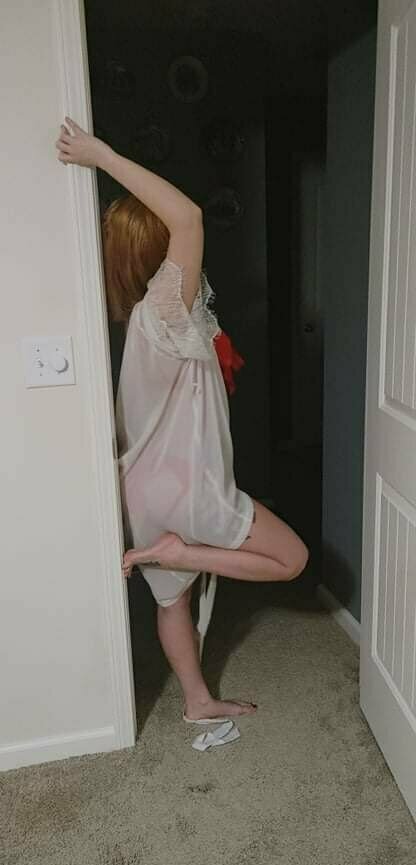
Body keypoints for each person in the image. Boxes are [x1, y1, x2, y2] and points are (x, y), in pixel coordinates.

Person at [55, 117, 309, 724]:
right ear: (159, 254)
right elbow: (189, 217)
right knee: (291, 559)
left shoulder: (143, 328)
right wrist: (100, 154)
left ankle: (198, 702)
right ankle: (180, 551)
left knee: (172, 603)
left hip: (141, 491)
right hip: (189, 489)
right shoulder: (165, 313)